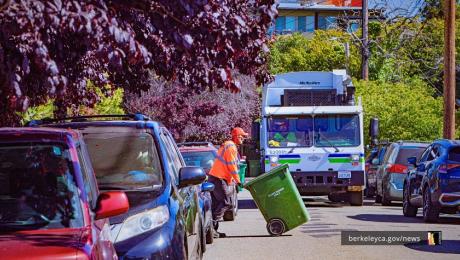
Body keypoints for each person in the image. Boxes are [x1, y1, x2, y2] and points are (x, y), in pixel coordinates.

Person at [208, 127, 248, 238]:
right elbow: (232, 166)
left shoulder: (229, 145)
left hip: (216, 177)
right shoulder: (231, 147)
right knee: (226, 202)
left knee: (217, 204)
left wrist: (232, 180)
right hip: (218, 178)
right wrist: (238, 181)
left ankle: (212, 231)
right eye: (242, 136)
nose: (243, 139)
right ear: (236, 136)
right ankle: (211, 229)